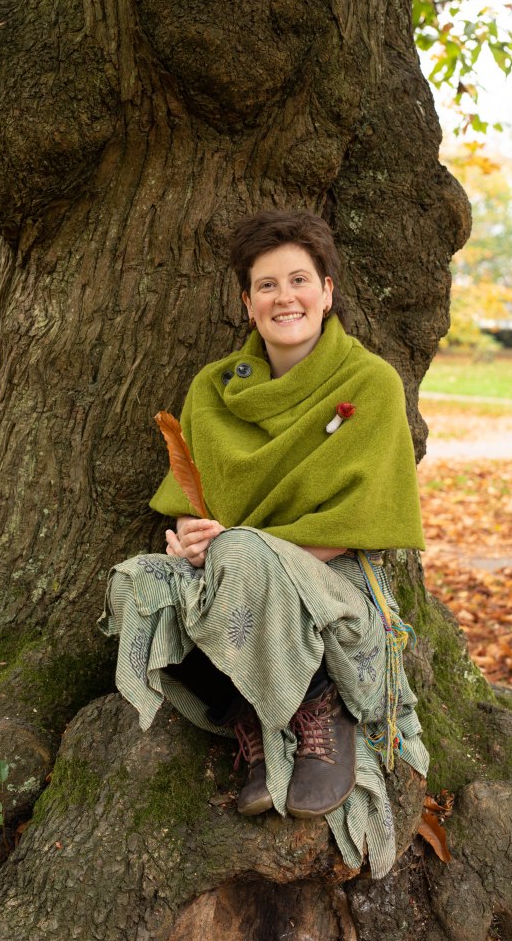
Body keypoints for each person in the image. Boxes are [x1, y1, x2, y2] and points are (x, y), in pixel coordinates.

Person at [98, 210, 428, 879]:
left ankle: (315, 708)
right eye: (267, 285)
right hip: (237, 575)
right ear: (246, 303)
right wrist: (193, 541)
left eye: (299, 280)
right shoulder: (213, 391)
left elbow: (358, 526)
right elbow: (196, 510)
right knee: (142, 580)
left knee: (241, 556)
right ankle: (246, 716)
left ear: (327, 291)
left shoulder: (369, 385)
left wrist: (240, 552)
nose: (285, 298)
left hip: (333, 586)